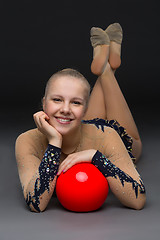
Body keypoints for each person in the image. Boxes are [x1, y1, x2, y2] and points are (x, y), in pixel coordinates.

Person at [15, 23, 146, 213]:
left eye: (76, 103)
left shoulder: (107, 136)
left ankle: (107, 70)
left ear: (86, 110)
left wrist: (96, 157)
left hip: (105, 135)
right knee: (70, 116)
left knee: (136, 143)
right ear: (44, 103)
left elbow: (138, 200)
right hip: (78, 128)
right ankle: (107, 67)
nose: (65, 109)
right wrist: (54, 142)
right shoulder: (26, 141)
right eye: (57, 100)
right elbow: (36, 202)